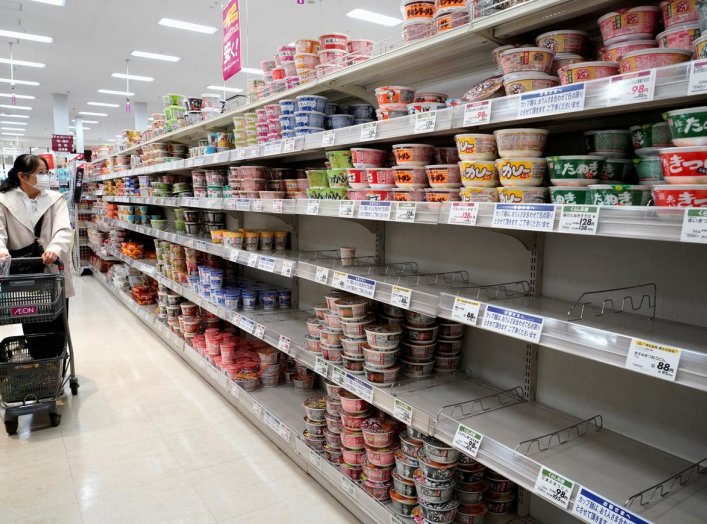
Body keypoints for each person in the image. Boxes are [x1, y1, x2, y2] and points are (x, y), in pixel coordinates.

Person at [0, 154, 74, 359]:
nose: (46, 177)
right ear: (23, 176)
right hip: (24, 271)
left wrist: (55, 248)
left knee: (57, 318)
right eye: (41, 173)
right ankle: (38, 360)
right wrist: (2, 251)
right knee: (31, 317)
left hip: (52, 268)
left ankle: (57, 363)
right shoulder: (4, 200)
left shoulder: (54, 198)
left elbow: (63, 229)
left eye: (46, 172)